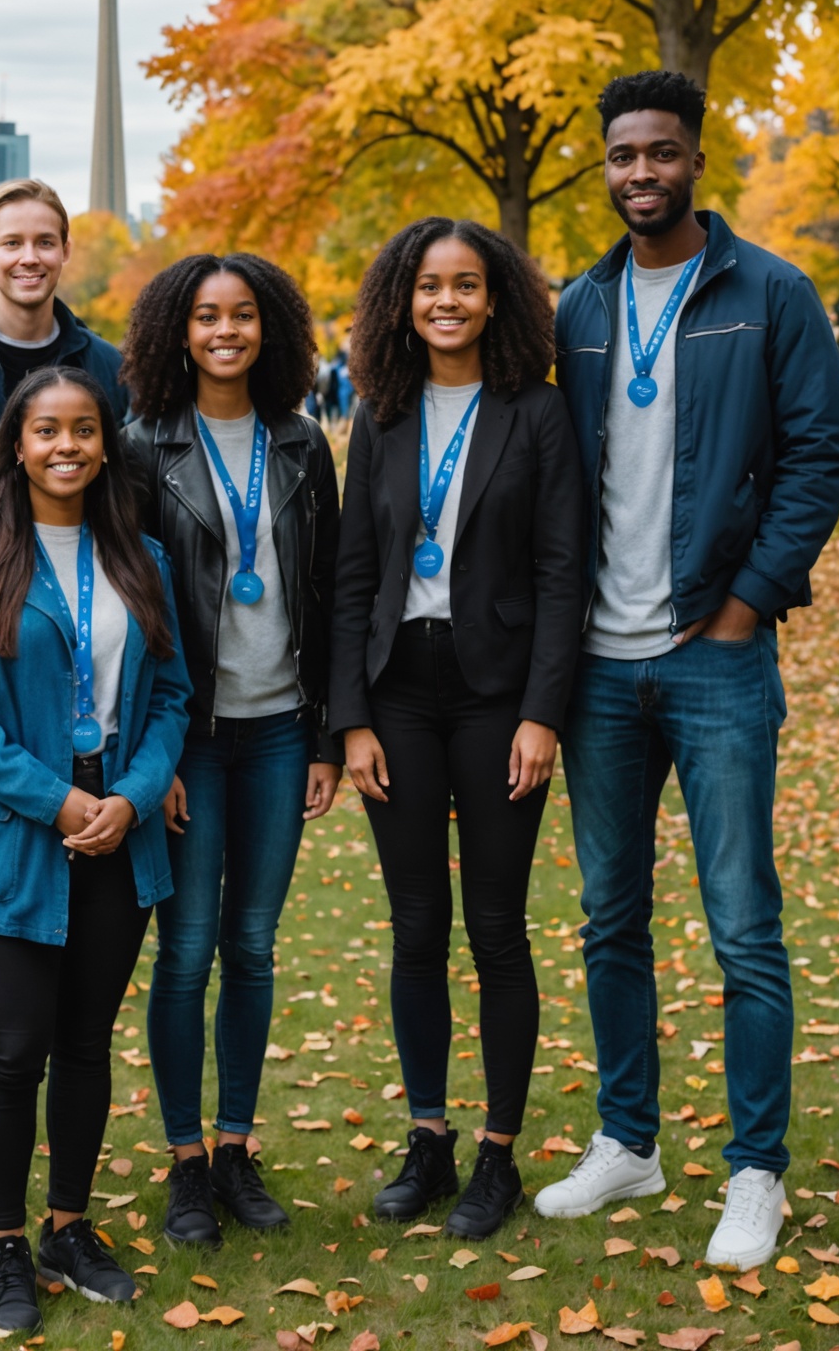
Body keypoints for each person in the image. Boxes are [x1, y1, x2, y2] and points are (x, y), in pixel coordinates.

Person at [538, 70, 839, 1270]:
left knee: (743, 926)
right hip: (598, 674)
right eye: (622, 155)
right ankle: (628, 1139)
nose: (641, 173)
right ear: (605, 165)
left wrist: (745, 608)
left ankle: (756, 1169)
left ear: (695, 160)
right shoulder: (579, 308)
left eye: (660, 152)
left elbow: (820, 458)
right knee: (609, 918)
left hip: (715, 661)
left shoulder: (771, 294)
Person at [0, 367, 191, 1339]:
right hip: (9, 838)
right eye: (47, 431)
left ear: (105, 444)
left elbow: (170, 699)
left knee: (84, 1046)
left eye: (84, 429)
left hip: (118, 832)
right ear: (20, 446)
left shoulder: (141, 558)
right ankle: (4, 1247)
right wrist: (59, 797)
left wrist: (133, 795)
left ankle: (69, 1228)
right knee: (11, 1051)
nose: (67, 445)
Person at [331, 217, 584, 1239]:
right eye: (430, 286)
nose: (447, 302)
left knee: (494, 925)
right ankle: (428, 1139)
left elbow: (566, 575)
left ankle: (498, 1157)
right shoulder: (381, 414)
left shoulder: (539, 415)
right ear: (404, 300)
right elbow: (352, 575)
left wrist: (541, 715)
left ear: (496, 300)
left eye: (467, 285)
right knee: (416, 927)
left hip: (496, 697)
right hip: (398, 693)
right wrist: (350, 719)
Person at [122, 252, 342, 1245]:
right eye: (207, 316)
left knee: (252, 948)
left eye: (243, 315)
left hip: (282, 731)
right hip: (192, 739)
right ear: (178, 330)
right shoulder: (141, 446)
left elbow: (333, 593)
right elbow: (126, 613)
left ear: (270, 328)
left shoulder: (300, 443)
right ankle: (182, 1163)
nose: (224, 331)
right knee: (189, 950)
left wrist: (331, 735)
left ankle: (237, 1148)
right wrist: (154, 754)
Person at [0, 178, 128, 420]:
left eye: (45, 243)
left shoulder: (109, 366)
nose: (29, 258)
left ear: (65, 251)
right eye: (12, 243)